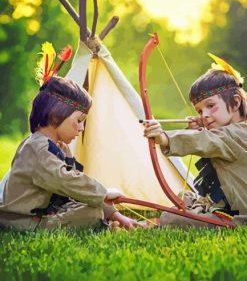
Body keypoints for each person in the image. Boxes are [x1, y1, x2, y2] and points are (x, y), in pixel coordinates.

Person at [0, 43, 141, 232]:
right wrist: (103, 193)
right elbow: (66, 181)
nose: (82, 128)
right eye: (79, 120)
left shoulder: (55, 147)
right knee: (90, 213)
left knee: (91, 206)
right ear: (56, 114)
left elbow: (73, 188)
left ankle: (109, 221)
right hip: (23, 221)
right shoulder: (37, 148)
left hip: (44, 214)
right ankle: (102, 224)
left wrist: (114, 213)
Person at [143, 53, 247, 227]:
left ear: (236, 103)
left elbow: (207, 141)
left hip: (239, 218)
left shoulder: (235, 134)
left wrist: (162, 137)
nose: (204, 115)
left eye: (211, 106)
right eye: (199, 111)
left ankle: (149, 224)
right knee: (184, 197)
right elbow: (210, 140)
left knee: (173, 217)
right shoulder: (230, 132)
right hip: (227, 206)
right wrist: (200, 129)